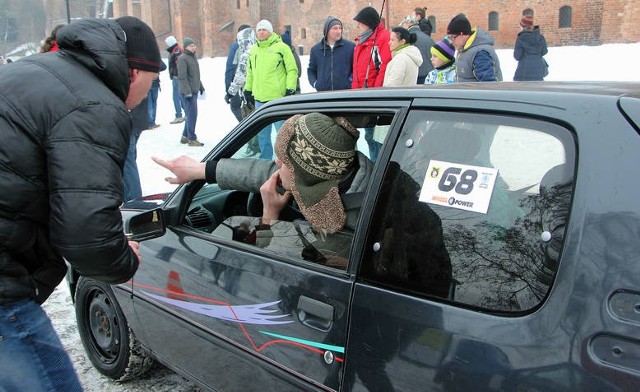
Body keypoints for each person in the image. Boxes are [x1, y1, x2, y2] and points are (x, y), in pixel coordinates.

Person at [0, 16, 159, 391]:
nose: (150, 94)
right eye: (154, 82)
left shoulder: (33, 70)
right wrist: (122, 257)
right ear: (135, 72)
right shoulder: (96, 105)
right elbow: (86, 231)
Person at [152, 112, 374, 266]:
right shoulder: (343, 174)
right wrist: (202, 170)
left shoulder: (345, 230)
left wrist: (269, 216)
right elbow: (265, 171)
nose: (276, 163)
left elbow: (266, 269)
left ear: (306, 175)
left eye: (284, 161)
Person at [244, 20, 298, 160]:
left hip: (277, 99)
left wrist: (290, 88)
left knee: (282, 133)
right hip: (259, 100)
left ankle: (285, 161)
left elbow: (292, 69)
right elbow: (250, 71)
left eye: (264, 30)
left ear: (270, 31)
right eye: (259, 30)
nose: (261, 32)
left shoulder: (281, 47)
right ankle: (265, 161)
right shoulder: (254, 49)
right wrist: (248, 89)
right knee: (262, 134)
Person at [352, 6, 392, 162]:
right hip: (362, 95)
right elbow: (357, 70)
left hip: (373, 97)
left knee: (375, 137)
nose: (358, 26)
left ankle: (378, 169)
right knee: (369, 136)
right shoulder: (362, 41)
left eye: (360, 23)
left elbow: (382, 67)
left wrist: (376, 92)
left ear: (368, 23)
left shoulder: (381, 38)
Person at [447, 13, 502, 82]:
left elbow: (488, 85)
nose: (450, 42)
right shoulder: (465, 49)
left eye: (452, 37)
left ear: (462, 34)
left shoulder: (480, 53)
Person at [307, 16, 355, 91]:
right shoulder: (316, 50)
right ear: (327, 31)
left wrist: (349, 81)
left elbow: (355, 68)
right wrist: (315, 83)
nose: (339, 31)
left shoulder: (350, 47)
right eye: (335, 28)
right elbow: (311, 70)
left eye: (340, 28)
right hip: (323, 94)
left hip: (345, 93)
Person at [178, 37, 204, 146]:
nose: (193, 47)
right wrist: (187, 91)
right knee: (192, 114)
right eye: (191, 46)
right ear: (186, 47)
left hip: (194, 89)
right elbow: (182, 77)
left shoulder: (193, 57)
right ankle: (192, 138)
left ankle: (185, 136)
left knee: (190, 114)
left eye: (194, 45)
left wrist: (200, 86)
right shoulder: (182, 59)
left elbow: (195, 75)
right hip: (187, 92)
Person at [225, 24, 250, 122]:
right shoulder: (256, 45)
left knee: (236, 108)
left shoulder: (236, 46)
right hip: (255, 88)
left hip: (241, 87)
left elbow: (231, 69)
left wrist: (229, 91)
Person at [401, 13, 435, 83]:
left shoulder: (409, 38)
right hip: (431, 74)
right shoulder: (428, 38)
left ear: (407, 24)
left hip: (417, 75)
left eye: (403, 24)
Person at [513, 15, 548, 81]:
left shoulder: (521, 38)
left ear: (523, 26)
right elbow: (544, 51)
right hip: (538, 70)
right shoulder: (540, 37)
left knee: (523, 90)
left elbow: (517, 56)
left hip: (524, 71)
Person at [165, 35, 186, 124]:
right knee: (179, 96)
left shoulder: (176, 50)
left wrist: (176, 74)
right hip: (177, 76)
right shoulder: (175, 50)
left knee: (176, 97)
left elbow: (179, 63)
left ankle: (178, 115)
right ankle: (187, 112)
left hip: (177, 77)